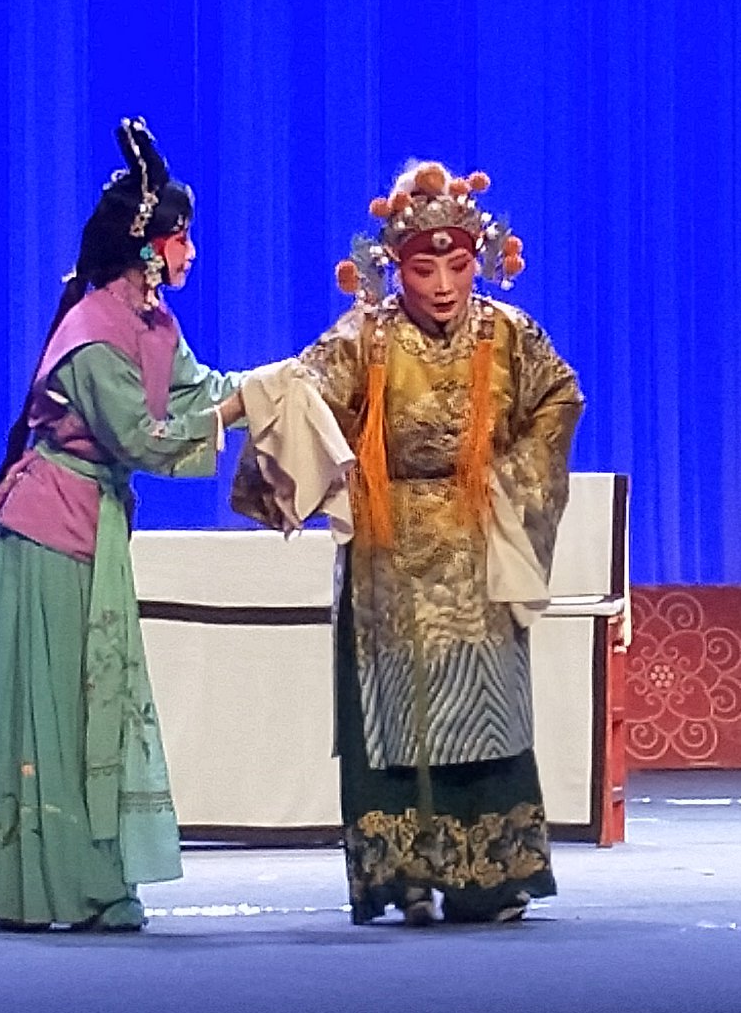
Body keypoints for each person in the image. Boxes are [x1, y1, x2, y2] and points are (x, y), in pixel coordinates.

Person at [232, 161, 583, 925]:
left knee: (484, 707)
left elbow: (560, 396)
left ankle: (487, 878)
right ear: (396, 267)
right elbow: (301, 395)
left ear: (480, 261)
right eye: (425, 269)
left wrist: (509, 480)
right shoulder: (365, 337)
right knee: (393, 713)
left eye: (458, 266)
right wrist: (241, 412)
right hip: (385, 552)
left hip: (475, 541)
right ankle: (403, 876)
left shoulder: (508, 333)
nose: (445, 285)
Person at [0, 119, 250, 933]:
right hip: (50, 529)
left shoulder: (150, 323)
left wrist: (277, 387)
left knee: (92, 704)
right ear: (147, 247)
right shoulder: (90, 335)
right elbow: (141, 437)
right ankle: (46, 883)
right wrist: (234, 414)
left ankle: (88, 877)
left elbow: (200, 391)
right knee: (57, 707)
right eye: (182, 240)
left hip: (93, 520)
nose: (190, 254)